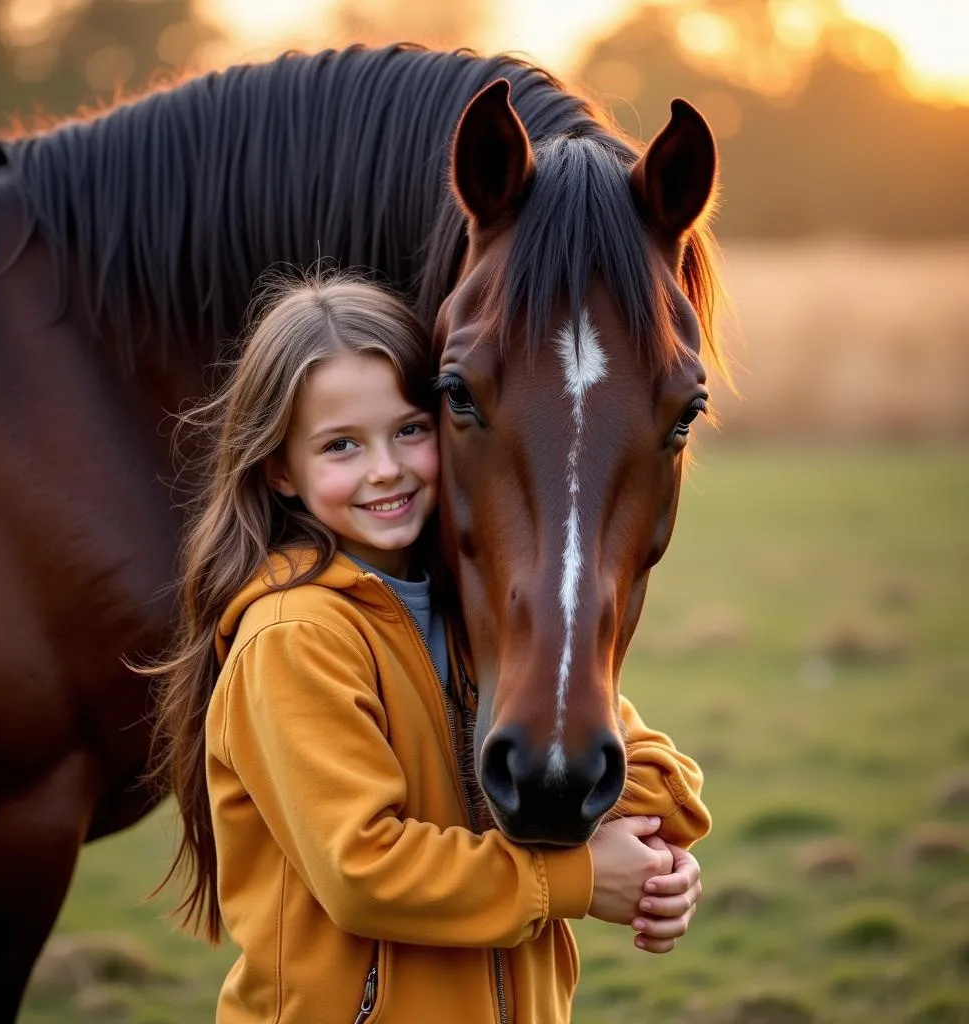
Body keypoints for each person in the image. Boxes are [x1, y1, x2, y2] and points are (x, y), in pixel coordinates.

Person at [148, 273, 711, 1024]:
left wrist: (657, 863)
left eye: (409, 430)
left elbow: (638, 769)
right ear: (281, 469)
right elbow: (364, 871)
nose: (385, 468)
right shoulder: (295, 639)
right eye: (342, 445)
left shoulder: (474, 616)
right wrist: (572, 878)